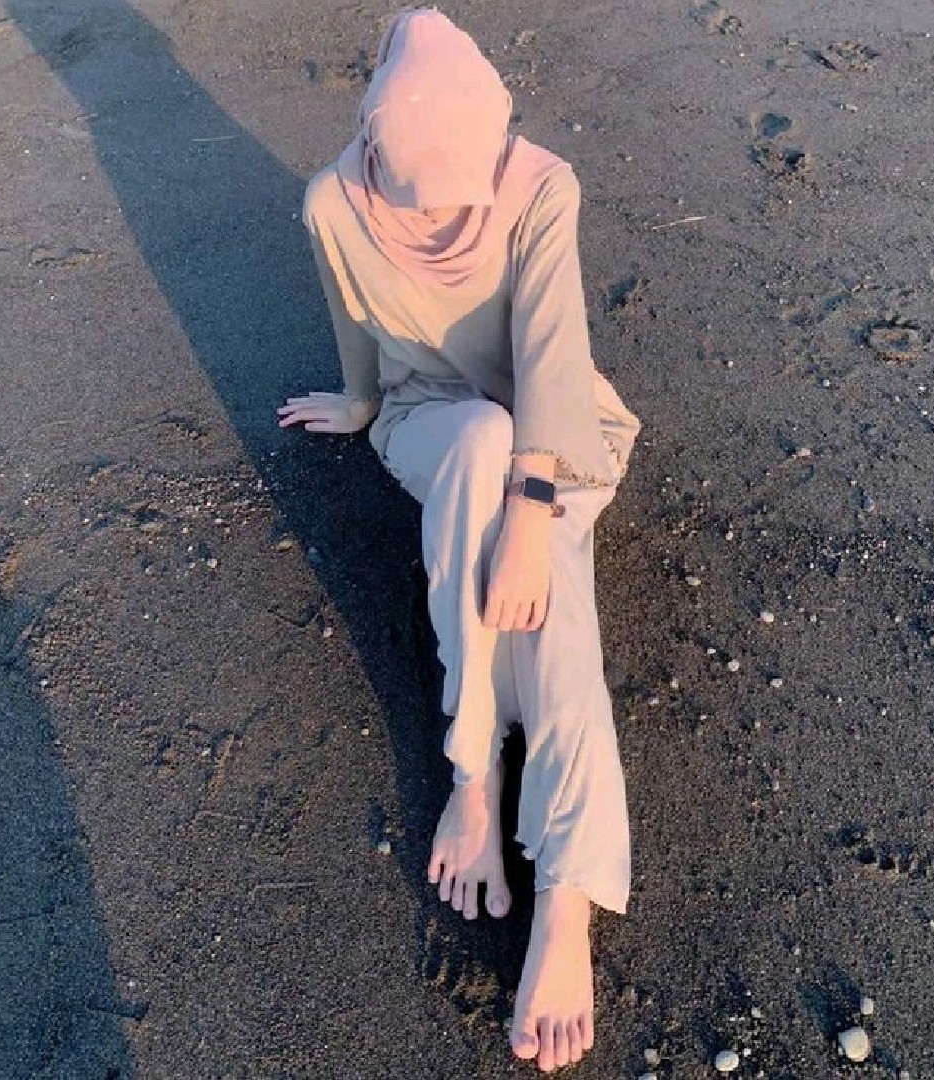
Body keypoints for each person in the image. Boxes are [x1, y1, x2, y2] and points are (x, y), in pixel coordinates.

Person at [277, 8, 641, 1072]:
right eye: (417, 198)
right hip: (433, 418)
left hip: (555, 428)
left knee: (550, 581)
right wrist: (357, 402)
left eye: (459, 196)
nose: (441, 220)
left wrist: (531, 514)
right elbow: (352, 319)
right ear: (372, 146)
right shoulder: (333, 203)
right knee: (476, 438)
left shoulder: (542, 186)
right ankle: (475, 775)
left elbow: (553, 350)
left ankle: (563, 898)